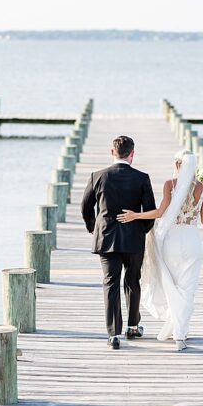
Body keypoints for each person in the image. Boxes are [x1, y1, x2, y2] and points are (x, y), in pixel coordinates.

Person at [118, 150, 203, 350]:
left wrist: (135, 215)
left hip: (172, 241)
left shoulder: (170, 184)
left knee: (172, 285)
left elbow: (160, 212)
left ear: (177, 164)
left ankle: (178, 331)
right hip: (192, 241)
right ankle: (180, 335)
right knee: (188, 289)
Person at [80, 135, 157, 349]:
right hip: (134, 239)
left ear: (112, 152)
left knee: (110, 283)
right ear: (132, 154)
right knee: (133, 281)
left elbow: (85, 207)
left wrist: (93, 228)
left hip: (106, 238)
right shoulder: (142, 178)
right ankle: (132, 327)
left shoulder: (98, 176)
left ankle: (113, 335)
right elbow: (150, 212)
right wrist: (140, 230)